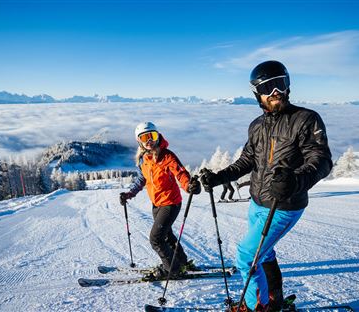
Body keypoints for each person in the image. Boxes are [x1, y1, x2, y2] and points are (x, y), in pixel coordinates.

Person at [200, 61, 332, 312]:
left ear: (288, 85)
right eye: (268, 87)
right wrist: (217, 177)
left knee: (247, 256)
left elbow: (321, 160)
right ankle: (273, 301)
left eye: (280, 84)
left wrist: (295, 180)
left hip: (284, 204)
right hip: (257, 202)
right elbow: (247, 160)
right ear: (257, 94)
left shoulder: (305, 119)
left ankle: (254, 308)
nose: (275, 92)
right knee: (265, 254)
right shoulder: (257, 125)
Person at [120, 122, 201, 279]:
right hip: (156, 204)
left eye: (152, 136)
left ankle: (173, 269)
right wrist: (130, 194)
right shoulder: (144, 159)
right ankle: (181, 261)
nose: (149, 140)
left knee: (155, 239)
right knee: (167, 236)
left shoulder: (167, 156)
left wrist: (189, 185)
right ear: (139, 141)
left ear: (158, 136)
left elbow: (180, 173)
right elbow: (142, 179)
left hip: (170, 203)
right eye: (145, 137)